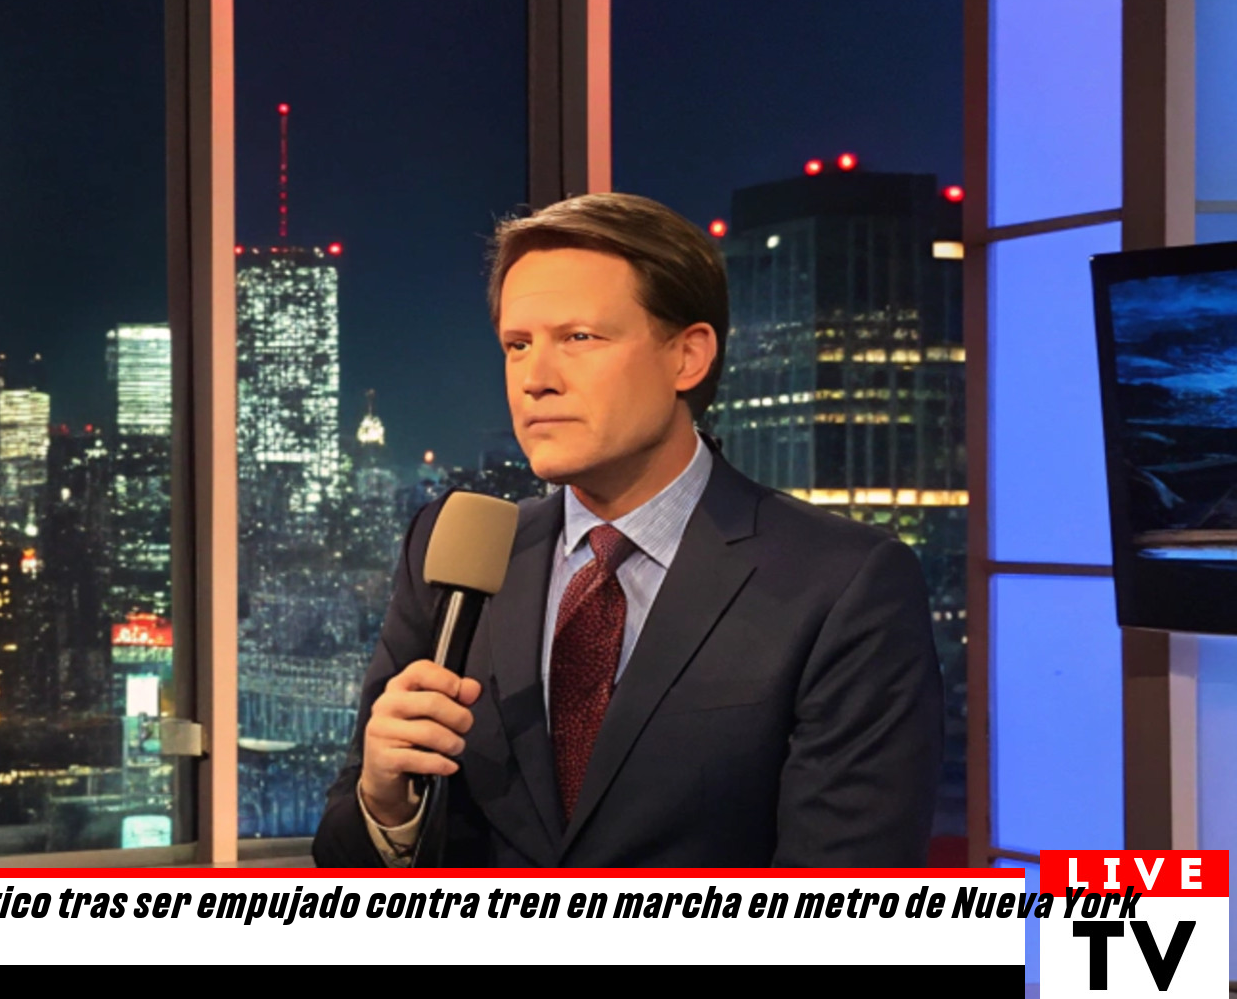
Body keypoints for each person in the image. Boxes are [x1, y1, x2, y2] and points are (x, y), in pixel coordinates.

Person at [313, 192, 944, 873]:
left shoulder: (842, 583)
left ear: (688, 357)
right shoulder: (460, 550)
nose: (535, 379)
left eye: (579, 339)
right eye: (517, 345)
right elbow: (347, 863)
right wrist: (385, 802)